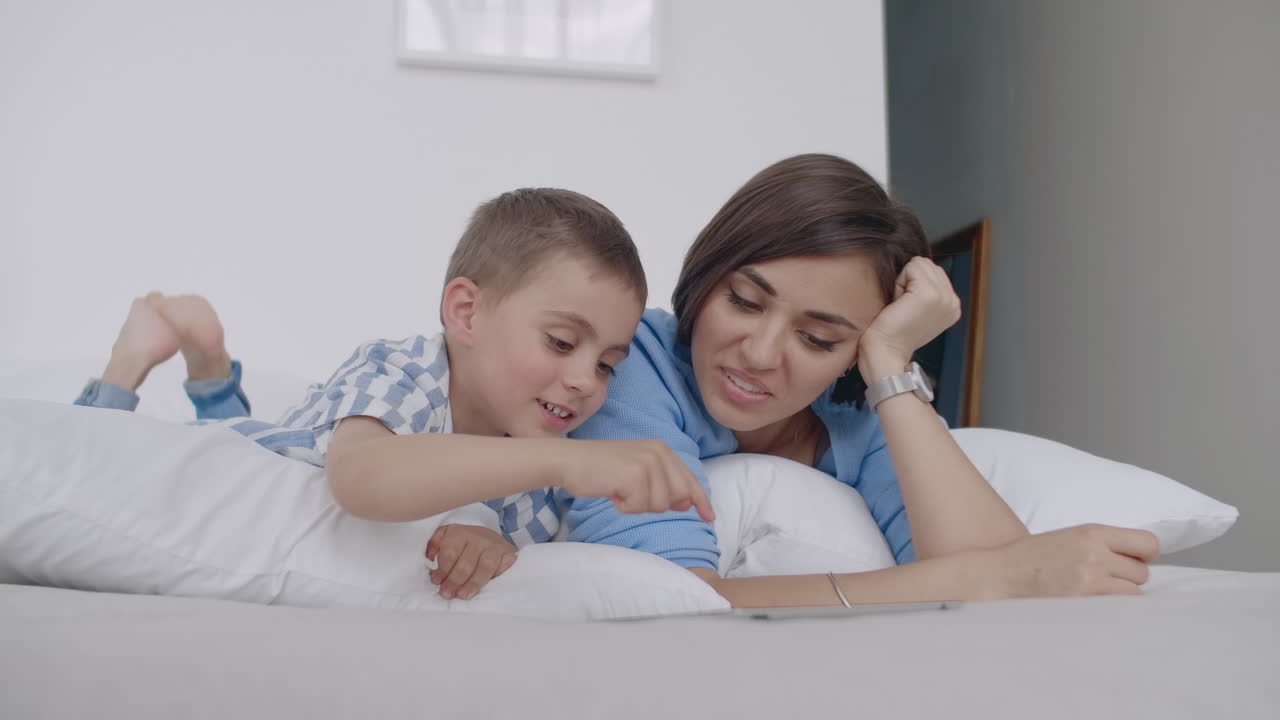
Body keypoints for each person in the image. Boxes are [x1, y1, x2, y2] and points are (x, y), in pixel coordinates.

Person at [560, 153, 1159, 606]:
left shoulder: (860, 419)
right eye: (743, 301)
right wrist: (979, 579)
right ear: (706, 275)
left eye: (819, 338)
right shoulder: (629, 364)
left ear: (855, 351)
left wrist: (891, 363)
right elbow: (673, 600)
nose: (760, 354)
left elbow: (1008, 581)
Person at [73, 187, 714, 602]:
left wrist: (491, 547)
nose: (584, 381)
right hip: (252, 457)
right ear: (466, 313)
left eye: (608, 365)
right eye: (560, 342)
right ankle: (138, 364)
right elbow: (364, 480)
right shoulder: (402, 371)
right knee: (101, 449)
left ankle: (213, 378)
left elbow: (500, 549)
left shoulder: (540, 474)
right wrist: (568, 460)